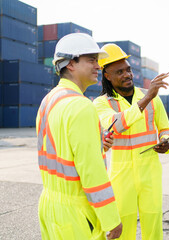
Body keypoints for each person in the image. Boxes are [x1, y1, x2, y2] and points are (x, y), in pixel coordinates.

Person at [36, 33, 122, 240]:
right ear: (70, 63)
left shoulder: (49, 100)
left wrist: (96, 144)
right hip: (76, 212)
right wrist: (111, 218)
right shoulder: (81, 106)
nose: (98, 66)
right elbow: (91, 171)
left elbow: (61, 149)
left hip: (49, 205)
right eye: (91, 59)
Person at [93, 43, 169, 239]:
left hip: (150, 172)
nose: (127, 74)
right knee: (123, 228)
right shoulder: (102, 104)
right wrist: (146, 98)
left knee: (153, 226)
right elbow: (115, 125)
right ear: (107, 76)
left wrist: (166, 141)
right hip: (121, 176)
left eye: (128, 69)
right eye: (119, 72)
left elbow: (166, 128)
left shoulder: (153, 98)